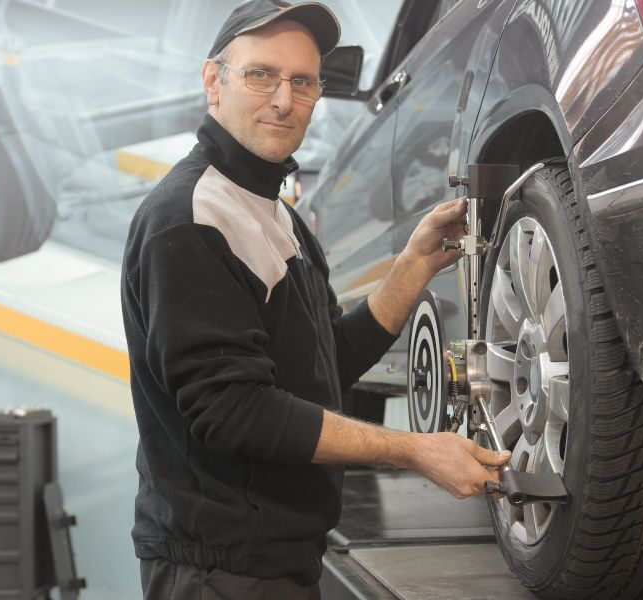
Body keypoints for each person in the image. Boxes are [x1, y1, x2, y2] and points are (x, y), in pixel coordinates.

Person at [120, 1, 511, 598]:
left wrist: (413, 265)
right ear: (213, 82)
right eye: (261, 75)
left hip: (276, 560)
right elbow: (233, 411)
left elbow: (329, 362)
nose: (284, 99)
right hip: (219, 570)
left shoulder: (278, 217)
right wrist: (414, 451)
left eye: (302, 82)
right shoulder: (190, 219)